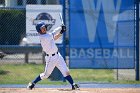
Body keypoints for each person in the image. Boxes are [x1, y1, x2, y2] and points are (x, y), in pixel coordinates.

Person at [27, 22, 79, 90]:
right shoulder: (43, 37)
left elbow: (55, 38)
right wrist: (61, 27)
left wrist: (61, 32)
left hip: (58, 56)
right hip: (50, 58)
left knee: (65, 71)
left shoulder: (48, 36)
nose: (44, 29)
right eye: (42, 28)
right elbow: (54, 32)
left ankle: (73, 84)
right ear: (39, 30)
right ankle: (33, 83)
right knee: (46, 75)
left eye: (44, 27)